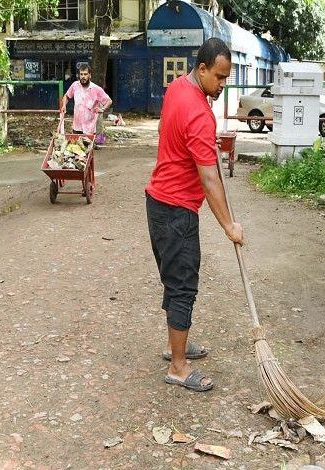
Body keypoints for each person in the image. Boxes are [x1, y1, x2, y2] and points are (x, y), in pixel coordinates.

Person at [145, 37, 243, 392]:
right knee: (183, 285)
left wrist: (200, 142)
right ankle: (179, 366)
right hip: (177, 211)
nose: (221, 85)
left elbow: (166, 131)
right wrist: (229, 225)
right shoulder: (201, 114)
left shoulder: (176, 89)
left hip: (156, 203)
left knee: (173, 279)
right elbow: (209, 177)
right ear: (201, 69)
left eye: (225, 78)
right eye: (218, 77)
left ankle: (177, 345)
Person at [60, 64, 112, 135]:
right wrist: (64, 105)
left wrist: (103, 109)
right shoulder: (75, 85)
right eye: (81, 74)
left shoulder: (96, 89)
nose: (83, 77)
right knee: (75, 146)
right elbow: (66, 96)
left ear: (90, 75)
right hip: (76, 127)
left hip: (89, 129)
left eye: (85, 74)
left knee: (88, 145)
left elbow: (109, 101)